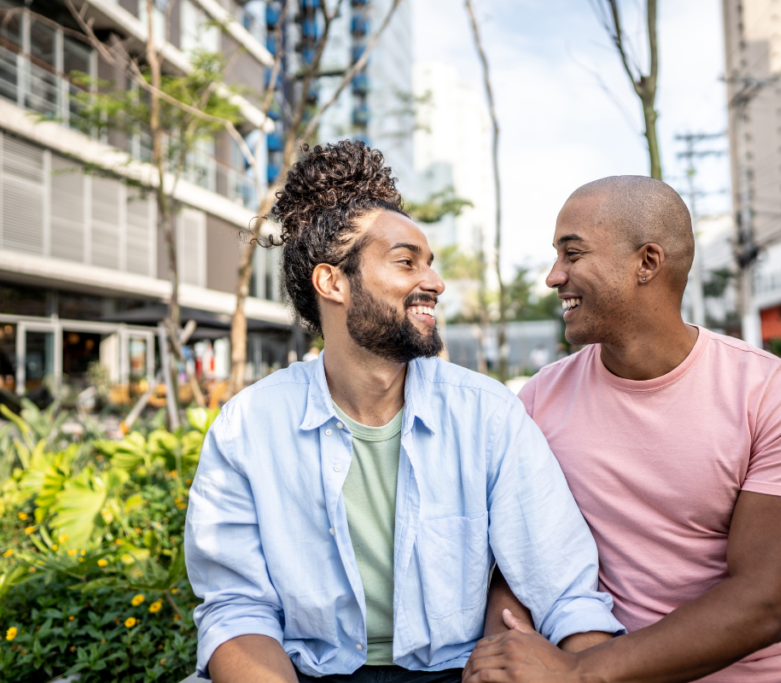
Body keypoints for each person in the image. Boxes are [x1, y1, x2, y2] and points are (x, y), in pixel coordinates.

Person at [184, 142, 622, 683]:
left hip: (454, 672)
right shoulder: (247, 427)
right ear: (333, 282)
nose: (435, 283)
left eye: (431, 264)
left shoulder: (487, 416)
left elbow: (564, 592)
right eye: (406, 262)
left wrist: (589, 672)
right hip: (301, 672)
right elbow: (237, 609)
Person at [463, 176, 781, 683]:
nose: (554, 277)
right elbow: (517, 560)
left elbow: (764, 602)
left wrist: (578, 674)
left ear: (647, 262)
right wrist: (506, 654)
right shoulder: (538, 399)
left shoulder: (771, 393)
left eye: (572, 254)